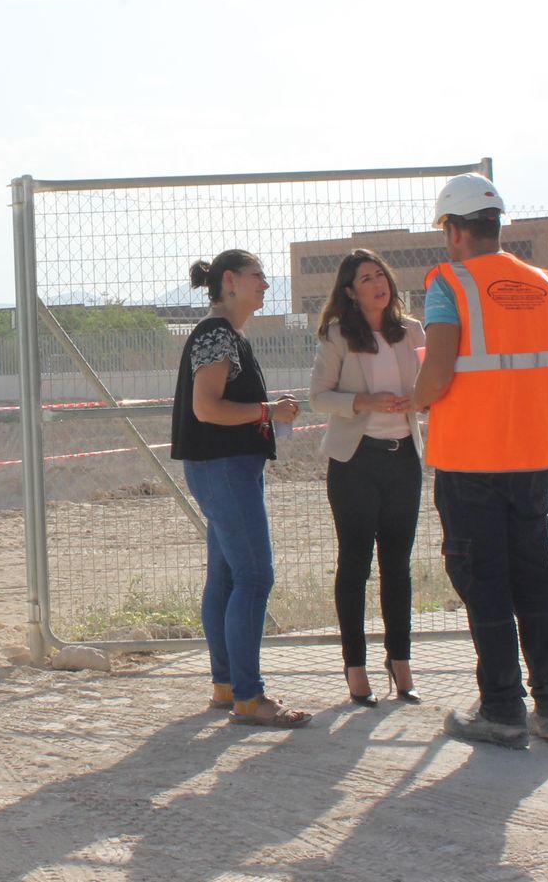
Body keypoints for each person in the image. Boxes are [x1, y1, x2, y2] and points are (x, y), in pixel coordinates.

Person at [412, 172, 548, 749]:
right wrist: (518, 402)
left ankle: (502, 710)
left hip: (469, 461)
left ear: (454, 231)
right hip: (531, 457)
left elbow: (436, 375)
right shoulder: (545, 286)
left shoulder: (449, 283)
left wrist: (410, 402)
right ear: (495, 224)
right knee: (534, 579)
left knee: (484, 583)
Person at [170, 249, 310, 728]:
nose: (265, 286)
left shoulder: (226, 335)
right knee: (254, 577)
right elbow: (207, 408)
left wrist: (267, 411)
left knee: (229, 578)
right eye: (258, 277)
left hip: (224, 468)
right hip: (225, 469)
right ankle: (249, 697)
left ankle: (228, 687)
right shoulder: (216, 335)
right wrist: (268, 411)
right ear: (230, 281)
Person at [309, 249, 426, 708]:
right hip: (355, 462)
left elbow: (430, 388)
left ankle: (400, 661)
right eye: (366, 278)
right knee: (355, 565)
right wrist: (364, 402)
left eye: (381, 275)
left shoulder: (412, 331)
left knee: (398, 566)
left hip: (404, 461)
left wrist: (418, 399)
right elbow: (319, 398)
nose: (379, 283)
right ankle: (354, 666)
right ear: (350, 291)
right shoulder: (338, 335)